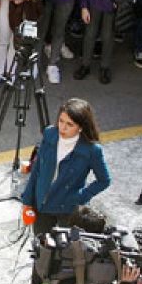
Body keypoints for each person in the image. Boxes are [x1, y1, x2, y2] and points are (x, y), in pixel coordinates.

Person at [19, 99, 111, 236]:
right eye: (61, 121)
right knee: (42, 247)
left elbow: (104, 180)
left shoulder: (92, 151)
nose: (63, 128)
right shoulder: (50, 134)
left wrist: (80, 197)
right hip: (42, 204)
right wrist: (27, 200)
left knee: (66, 251)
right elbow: (37, 169)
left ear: (81, 127)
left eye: (70, 124)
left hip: (67, 210)